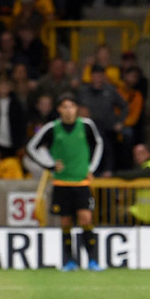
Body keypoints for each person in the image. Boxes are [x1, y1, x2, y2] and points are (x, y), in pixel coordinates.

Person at [25, 93, 104, 271]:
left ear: (76, 109)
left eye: (72, 106)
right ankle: (69, 260)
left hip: (81, 181)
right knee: (66, 221)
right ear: (59, 109)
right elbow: (31, 147)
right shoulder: (52, 128)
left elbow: (99, 143)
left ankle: (92, 259)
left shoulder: (86, 125)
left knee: (86, 218)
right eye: (65, 107)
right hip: (61, 182)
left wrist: (92, 167)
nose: (68, 110)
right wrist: (49, 165)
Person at [115, 144, 150, 224]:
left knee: (119, 221)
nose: (137, 157)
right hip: (148, 212)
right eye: (135, 154)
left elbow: (133, 175)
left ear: (148, 153)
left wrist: (114, 174)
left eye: (140, 153)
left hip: (147, 213)